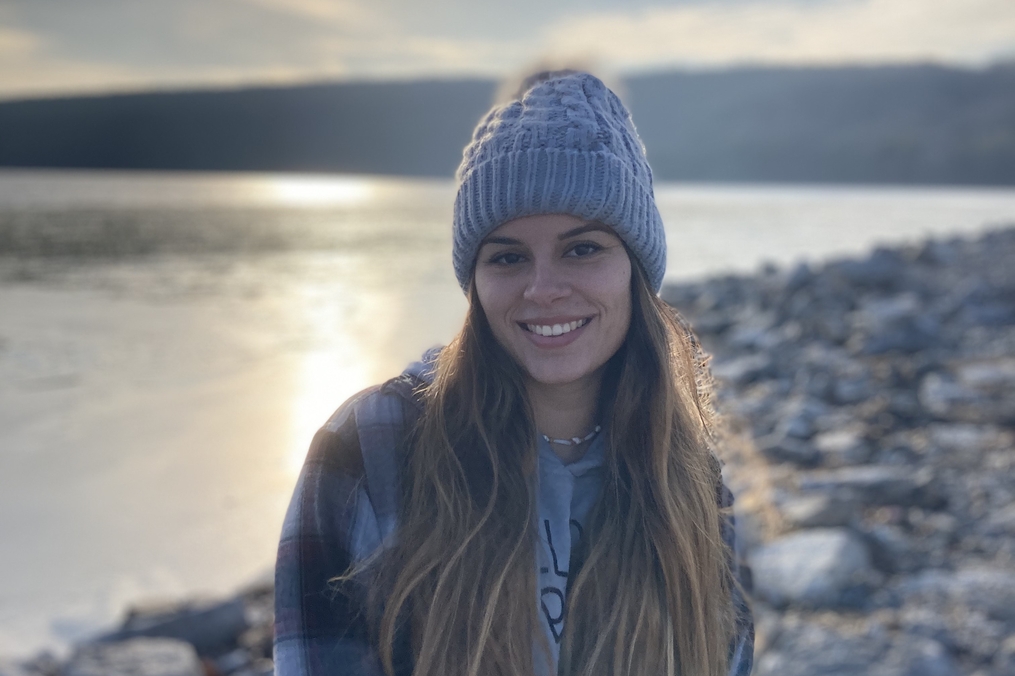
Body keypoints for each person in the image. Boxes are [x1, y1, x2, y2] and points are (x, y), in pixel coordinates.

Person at [274, 71, 754, 676]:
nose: (543, 289)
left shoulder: (690, 481)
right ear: (474, 284)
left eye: (582, 249)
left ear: (635, 268)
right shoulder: (369, 446)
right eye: (507, 257)